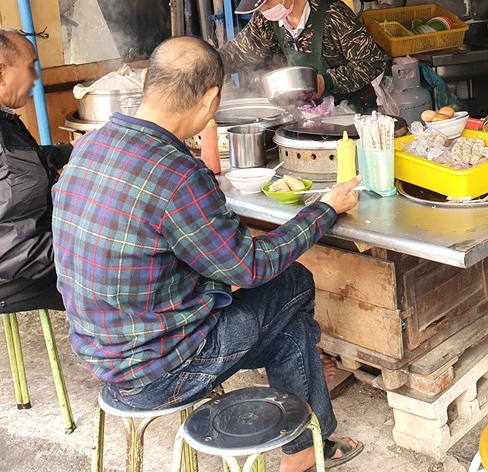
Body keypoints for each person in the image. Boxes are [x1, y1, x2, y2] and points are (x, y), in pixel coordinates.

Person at [52, 37, 363, 471]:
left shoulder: (89, 147)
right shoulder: (176, 174)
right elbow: (250, 267)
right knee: (292, 283)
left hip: (101, 356)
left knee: (286, 325)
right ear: (211, 99)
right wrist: (326, 208)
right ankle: (304, 447)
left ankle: (306, 447)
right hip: (161, 372)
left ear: (148, 82)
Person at [221, 0, 390, 106]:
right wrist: (207, 66)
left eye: (267, 1)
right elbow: (238, 52)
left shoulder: (333, 15)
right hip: (307, 111)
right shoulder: (264, 19)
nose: (263, 9)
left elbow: (372, 62)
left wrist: (328, 81)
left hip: (351, 110)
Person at [0, 30, 73, 314]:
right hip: (15, 276)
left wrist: (68, 151)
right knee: (122, 274)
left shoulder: (4, 125)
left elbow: (21, 166)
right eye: (30, 67)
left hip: (31, 254)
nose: (35, 78)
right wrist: (75, 248)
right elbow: (10, 250)